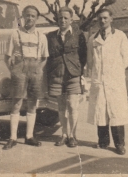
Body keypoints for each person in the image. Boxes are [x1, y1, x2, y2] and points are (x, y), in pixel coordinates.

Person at [3, 5, 49, 150]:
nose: (30, 18)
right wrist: (13, 70)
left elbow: (44, 57)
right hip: (19, 70)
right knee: (16, 103)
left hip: (35, 71)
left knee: (32, 103)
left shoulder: (41, 36)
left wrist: (39, 70)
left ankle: (29, 136)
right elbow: (7, 57)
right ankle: (12, 138)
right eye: (27, 15)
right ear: (22, 16)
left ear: (37, 18)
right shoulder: (15, 34)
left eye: (33, 16)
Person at [87, 9, 128, 155]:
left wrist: (115, 72)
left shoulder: (120, 36)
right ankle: (103, 142)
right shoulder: (93, 38)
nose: (103, 21)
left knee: (116, 112)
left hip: (115, 81)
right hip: (99, 81)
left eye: (106, 18)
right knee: (101, 112)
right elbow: (90, 61)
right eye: (100, 19)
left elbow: (127, 58)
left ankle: (119, 144)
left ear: (112, 19)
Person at [46, 6, 87, 147]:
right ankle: (64, 134)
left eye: (65, 18)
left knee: (73, 106)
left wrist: (79, 71)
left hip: (73, 75)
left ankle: (73, 136)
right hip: (57, 75)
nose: (62, 20)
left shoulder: (79, 35)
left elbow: (83, 57)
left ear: (71, 20)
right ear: (57, 20)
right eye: (60, 18)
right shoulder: (50, 36)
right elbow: (49, 57)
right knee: (61, 106)